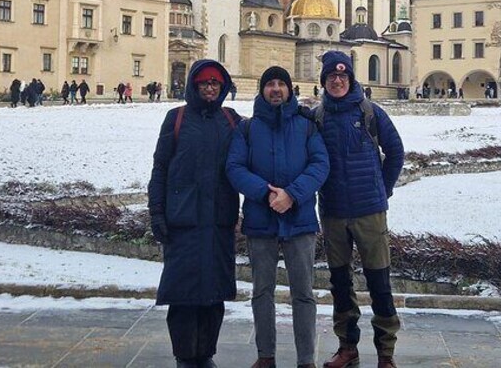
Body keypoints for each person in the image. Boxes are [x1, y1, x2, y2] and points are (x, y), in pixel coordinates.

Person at [227, 67, 329, 368]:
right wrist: (265, 193)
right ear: (262, 90)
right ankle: (265, 355)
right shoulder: (247, 128)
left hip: (299, 221)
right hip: (261, 219)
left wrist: (292, 194)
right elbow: (234, 168)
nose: (275, 89)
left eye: (281, 84)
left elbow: (320, 164)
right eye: (270, 84)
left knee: (304, 293)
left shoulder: (306, 126)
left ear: (290, 89)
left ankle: (306, 359)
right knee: (262, 291)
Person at [313, 51, 405, 368]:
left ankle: (385, 352)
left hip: (369, 211)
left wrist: (385, 187)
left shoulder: (370, 112)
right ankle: (347, 347)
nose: (337, 81)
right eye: (331, 77)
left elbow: (395, 151)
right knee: (340, 284)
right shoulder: (317, 117)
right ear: (324, 81)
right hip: (334, 212)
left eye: (343, 76)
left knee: (379, 283)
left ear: (351, 79)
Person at [148, 60, 241, 368]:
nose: (210, 88)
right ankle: (185, 356)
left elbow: (262, 138)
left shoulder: (231, 120)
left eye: (215, 83)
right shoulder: (176, 119)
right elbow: (161, 167)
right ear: (194, 86)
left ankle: (206, 354)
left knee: (213, 294)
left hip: (218, 220)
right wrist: (157, 212)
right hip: (183, 220)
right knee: (184, 295)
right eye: (204, 84)